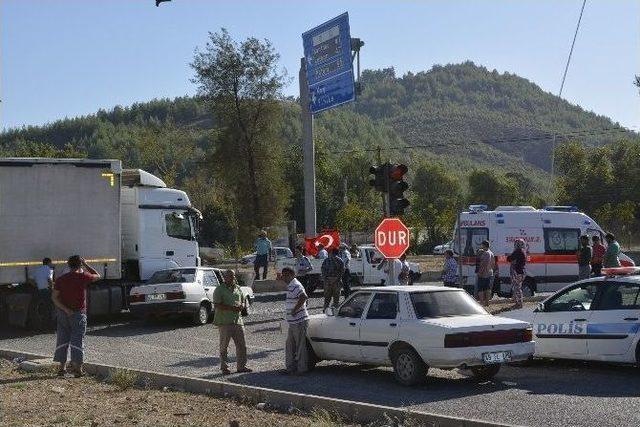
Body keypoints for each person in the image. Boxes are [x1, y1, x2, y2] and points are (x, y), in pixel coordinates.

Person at [51, 256, 101, 377]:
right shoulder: (83, 277)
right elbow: (98, 275)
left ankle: (61, 369)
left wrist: (65, 309)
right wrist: (86, 265)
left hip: (63, 314)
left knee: (62, 339)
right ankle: (78, 370)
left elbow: (54, 298)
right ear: (80, 265)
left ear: (68, 265)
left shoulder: (60, 279)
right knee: (77, 340)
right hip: (78, 313)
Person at [213, 269, 251, 375]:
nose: (232, 278)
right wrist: (231, 308)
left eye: (233, 276)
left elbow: (243, 300)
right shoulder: (219, 289)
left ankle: (241, 366)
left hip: (237, 320)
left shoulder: (238, 288)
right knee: (224, 346)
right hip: (225, 322)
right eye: (230, 276)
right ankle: (225, 368)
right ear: (225, 277)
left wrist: (242, 306)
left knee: (242, 345)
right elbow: (217, 305)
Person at [281, 267, 309, 375]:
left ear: (292, 275)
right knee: (290, 345)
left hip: (299, 320)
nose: (284, 277)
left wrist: (294, 310)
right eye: (283, 275)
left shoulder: (296, 285)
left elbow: (303, 297)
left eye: (286, 275)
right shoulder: (290, 286)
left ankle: (302, 369)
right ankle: (290, 367)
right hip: (292, 321)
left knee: (300, 345)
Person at [506, 239, 526, 309]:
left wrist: (509, 255)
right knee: (518, 287)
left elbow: (509, 259)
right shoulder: (523, 251)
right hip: (521, 271)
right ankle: (518, 302)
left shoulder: (517, 251)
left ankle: (519, 304)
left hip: (518, 272)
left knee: (517, 288)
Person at [476, 241, 494, 307]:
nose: (481, 246)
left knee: (481, 288)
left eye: (482, 245)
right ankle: (487, 302)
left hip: (483, 273)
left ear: (484, 245)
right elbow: (493, 264)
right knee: (487, 288)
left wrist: (480, 273)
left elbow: (483, 264)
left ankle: (482, 303)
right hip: (490, 273)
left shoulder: (485, 253)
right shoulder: (491, 253)